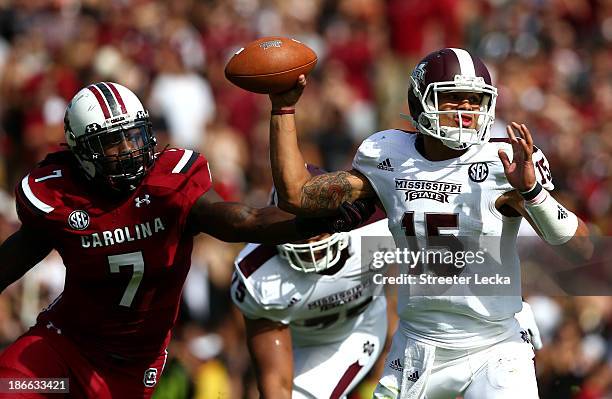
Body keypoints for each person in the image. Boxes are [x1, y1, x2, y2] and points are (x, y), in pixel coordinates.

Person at [0, 82, 373, 399]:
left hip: (133, 366)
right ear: (81, 150)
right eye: (113, 141)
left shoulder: (168, 185)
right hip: (63, 347)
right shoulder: (59, 194)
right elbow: (14, 258)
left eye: (134, 135)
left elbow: (245, 220)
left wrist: (321, 221)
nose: (129, 149)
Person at [266, 48, 593, 398]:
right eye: (453, 98)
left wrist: (532, 192)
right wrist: (283, 109)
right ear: (420, 101)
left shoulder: (502, 162)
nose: (467, 109)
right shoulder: (388, 157)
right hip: (417, 345)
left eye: (475, 99)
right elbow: (296, 196)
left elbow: (581, 249)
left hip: (494, 344)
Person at [232, 180, 392, 399]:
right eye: (300, 224)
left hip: (356, 330)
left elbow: (439, 267)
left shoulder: (375, 228)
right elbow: (275, 385)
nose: (311, 239)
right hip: (294, 340)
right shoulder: (257, 274)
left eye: (316, 222)